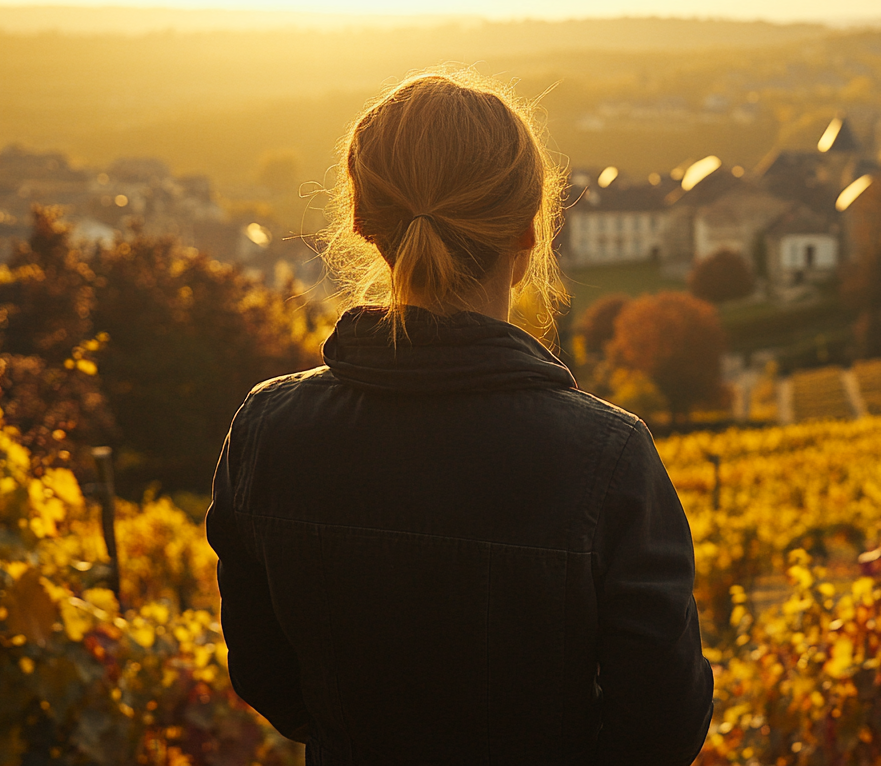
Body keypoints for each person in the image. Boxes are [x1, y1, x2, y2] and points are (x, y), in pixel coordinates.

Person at [205, 71, 714, 765]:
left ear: (361, 223)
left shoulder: (266, 432)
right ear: (531, 230)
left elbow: (269, 683)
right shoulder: (609, 458)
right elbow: (661, 730)